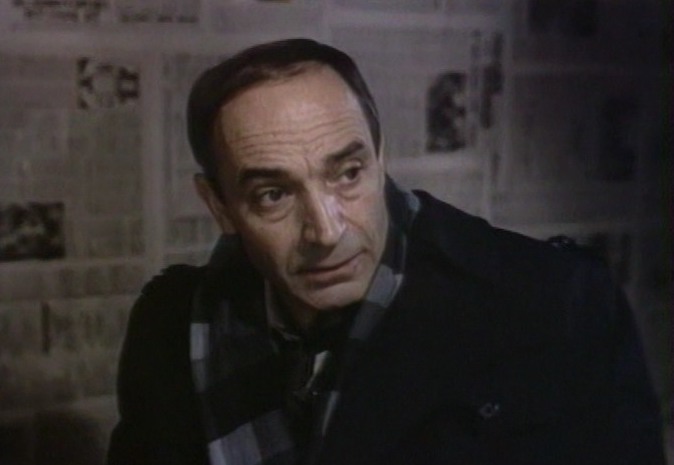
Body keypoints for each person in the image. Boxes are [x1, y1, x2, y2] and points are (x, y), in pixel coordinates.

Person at [107, 38, 665, 465]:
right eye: (273, 195)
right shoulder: (171, 329)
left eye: (348, 173)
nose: (326, 231)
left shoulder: (555, 305)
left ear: (381, 157)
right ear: (220, 207)